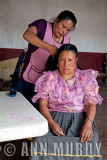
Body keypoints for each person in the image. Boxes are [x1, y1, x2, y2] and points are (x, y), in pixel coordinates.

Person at [30, 44, 103, 160]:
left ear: (76, 60)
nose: (66, 64)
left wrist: (88, 123)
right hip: (52, 117)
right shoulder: (49, 78)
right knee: (39, 141)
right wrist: (51, 123)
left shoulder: (85, 78)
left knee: (90, 142)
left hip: (79, 117)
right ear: (57, 61)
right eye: (62, 60)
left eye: (70, 60)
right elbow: (43, 104)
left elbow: (90, 104)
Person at [10, 10, 77, 105]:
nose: (64, 32)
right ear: (57, 20)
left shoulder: (66, 40)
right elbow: (27, 35)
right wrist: (49, 47)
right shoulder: (43, 25)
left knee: (39, 107)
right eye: (63, 26)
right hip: (28, 72)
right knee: (22, 103)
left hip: (46, 80)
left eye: (68, 30)